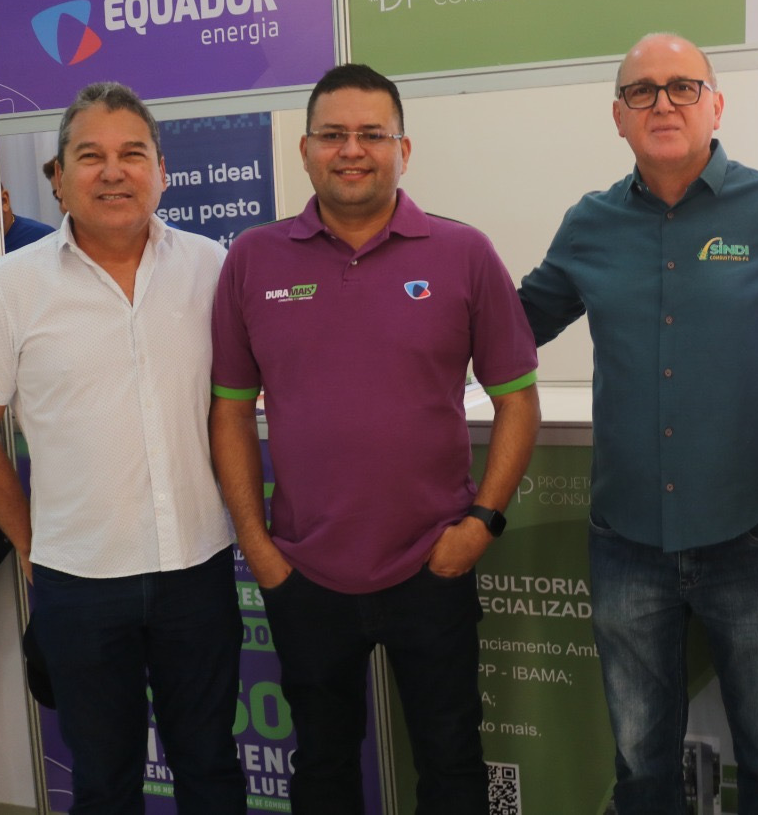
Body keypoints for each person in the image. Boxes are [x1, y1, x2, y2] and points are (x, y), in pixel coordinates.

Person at [518, 33, 758, 813]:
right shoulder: (590, 224)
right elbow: (514, 325)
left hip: (750, 529)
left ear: (716, 106)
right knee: (641, 767)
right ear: (618, 117)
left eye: (683, 87)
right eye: (641, 91)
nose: (662, 103)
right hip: (626, 536)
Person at [209, 63, 540, 813]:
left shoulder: (463, 253)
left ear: (403, 149)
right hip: (304, 571)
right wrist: (259, 547)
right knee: (323, 770)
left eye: (371, 135)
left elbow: (518, 400)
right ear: (305, 150)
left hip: (434, 565)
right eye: (332, 135)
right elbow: (228, 411)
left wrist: (480, 524)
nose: (351, 150)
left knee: (452, 765)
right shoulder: (253, 259)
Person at [0, 83, 245, 813]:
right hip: (79, 581)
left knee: (210, 766)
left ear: (162, 172)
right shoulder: (9, 287)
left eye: (132, 154)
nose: (113, 172)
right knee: (105, 782)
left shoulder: (212, 267)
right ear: (58, 176)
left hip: (196, 569)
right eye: (90, 156)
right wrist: (30, 540)